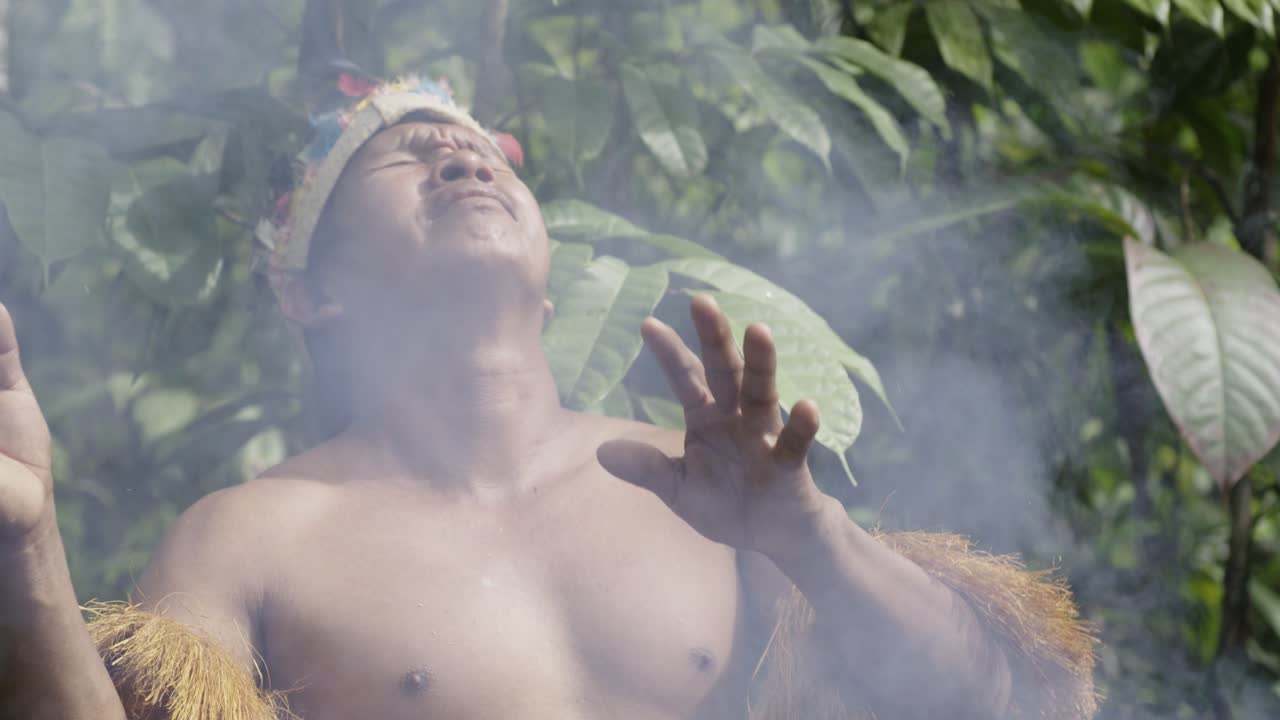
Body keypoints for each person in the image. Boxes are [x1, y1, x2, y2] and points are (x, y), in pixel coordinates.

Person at [0, 76, 1096, 720]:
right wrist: (29, 546)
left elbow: (1017, 703)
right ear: (307, 289)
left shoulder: (704, 485)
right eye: (410, 158)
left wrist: (808, 537)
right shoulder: (252, 538)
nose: (461, 160)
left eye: (480, 154)